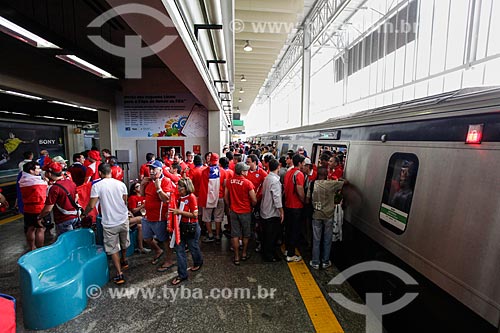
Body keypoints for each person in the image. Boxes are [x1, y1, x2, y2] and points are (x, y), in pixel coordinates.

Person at [82, 163, 129, 285]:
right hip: (123, 218)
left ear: (100, 173)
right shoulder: (121, 184)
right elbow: (125, 201)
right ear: (111, 172)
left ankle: (119, 274)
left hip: (109, 222)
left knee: (113, 248)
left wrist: (84, 213)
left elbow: (92, 205)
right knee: (124, 242)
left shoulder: (97, 186)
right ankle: (124, 261)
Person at [140, 160, 175, 272]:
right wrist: (142, 184)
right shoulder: (149, 181)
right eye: (150, 168)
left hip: (159, 218)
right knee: (146, 238)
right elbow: (142, 194)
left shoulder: (165, 181)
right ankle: (158, 250)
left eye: (153, 169)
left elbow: (166, 199)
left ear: (160, 170)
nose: (151, 171)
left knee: (164, 240)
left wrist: (158, 187)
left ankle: (169, 260)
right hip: (147, 216)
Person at [307, 167, 344, 269]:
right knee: (327, 239)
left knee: (316, 239)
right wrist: (339, 179)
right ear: (327, 174)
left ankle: (315, 262)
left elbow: (307, 199)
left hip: (316, 215)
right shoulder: (331, 184)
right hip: (328, 215)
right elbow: (345, 183)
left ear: (317, 174)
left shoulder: (312, 184)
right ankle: (325, 261)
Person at [168, 178, 203, 285]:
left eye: (181, 188)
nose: (179, 189)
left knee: (193, 247)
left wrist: (179, 212)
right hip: (180, 227)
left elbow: (195, 214)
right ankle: (182, 274)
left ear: (186, 188)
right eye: (178, 187)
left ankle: (198, 262)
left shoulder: (191, 197)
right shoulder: (179, 197)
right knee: (179, 250)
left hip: (191, 226)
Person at [224, 162, 257, 265]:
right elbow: (254, 199)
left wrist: (230, 206)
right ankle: (243, 253)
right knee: (246, 234)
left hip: (233, 211)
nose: (247, 171)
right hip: (245, 212)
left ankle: (236, 257)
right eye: (246, 170)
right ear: (242, 172)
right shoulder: (248, 183)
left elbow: (225, 196)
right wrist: (252, 206)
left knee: (235, 234)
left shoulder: (229, 182)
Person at [37, 162, 80, 235]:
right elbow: (76, 197)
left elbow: (47, 209)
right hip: (75, 216)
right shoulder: (70, 182)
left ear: (49, 174)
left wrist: (39, 217)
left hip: (63, 220)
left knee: (66, 243)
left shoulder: (54, 188)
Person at [19, 161, 47, 251]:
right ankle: (40, 249)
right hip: (39, 209)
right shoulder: (37, 182)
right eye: (38, 168)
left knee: (30, 228)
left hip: (27, 208)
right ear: (31, 171)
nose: (39, 170)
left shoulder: (23, 180)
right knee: (40, 229)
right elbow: (42, 196)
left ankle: (31, 247)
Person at [259, 158, 284, 262]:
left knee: (265, 235)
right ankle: (269, 256)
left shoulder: (267, 178)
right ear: (278, 167)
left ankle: (265, 252)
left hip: (264, 210)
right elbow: (277, 198)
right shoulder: (275, 181)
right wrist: (282, 212)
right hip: (272, 213)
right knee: (271, 236)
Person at [283, 154, 306, 262]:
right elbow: (300, 190)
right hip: (296, 207)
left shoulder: (288, 173)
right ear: (300, 163)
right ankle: (291, 255)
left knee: (288, 229)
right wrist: (304, 200)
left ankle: (288, 250)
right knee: (295, 231)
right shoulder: (299, 174)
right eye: (303, 163)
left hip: (287, 205)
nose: (304, 165)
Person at [198, 153, 226, 243]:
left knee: (207, 217)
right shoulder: (223, 171)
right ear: (218, 160)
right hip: (220, 197)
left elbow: (202, 186)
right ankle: (218, 235)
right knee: (218, 217)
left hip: (208, 198)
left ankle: (210, 235)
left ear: (209, 160)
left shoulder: (204, 172)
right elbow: (225, 185)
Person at [127, 182, 150, 254]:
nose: (140, 187)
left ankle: (148, 241)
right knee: (141, 223)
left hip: (145, 216)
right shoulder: (132, 198)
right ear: (134, 190)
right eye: (137, 186)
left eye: (140, 185)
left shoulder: (144, 196)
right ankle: (142, 246)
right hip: (135, 218)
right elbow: (133, 210)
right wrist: (142, 206)